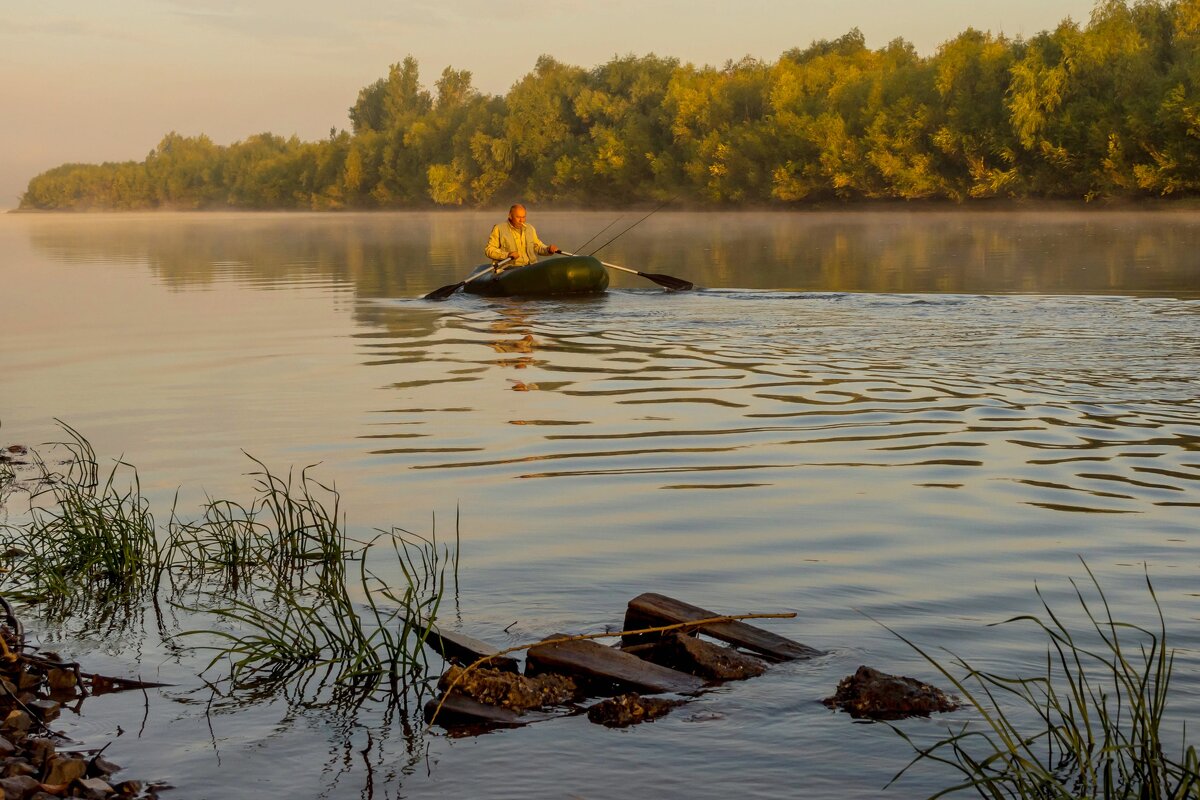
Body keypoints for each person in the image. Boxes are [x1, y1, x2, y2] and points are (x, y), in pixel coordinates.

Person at [485, 204, 560, 268]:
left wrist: (548, 249)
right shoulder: (499, 228)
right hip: (509, 270)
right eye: (518, 217)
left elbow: (537, 247)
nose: (521, 220)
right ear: (510, 216)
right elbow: (489, 250)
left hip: (530, 267)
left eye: (523, 217)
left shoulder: (530, 228)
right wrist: (507, 255)